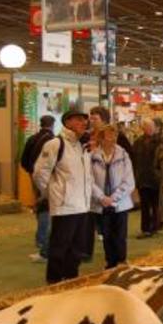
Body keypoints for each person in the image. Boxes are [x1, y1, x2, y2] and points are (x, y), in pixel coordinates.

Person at [33, 108, 93, 284]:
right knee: (59, 248)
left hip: (82, 205)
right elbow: (39, 173)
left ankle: (71, 280)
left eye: (85, 120)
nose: (84, 123)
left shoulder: (83, 145)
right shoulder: (55, 144)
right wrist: (50, 194)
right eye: (79, 119)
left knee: (76, 249)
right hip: (64, 207)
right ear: (67, 122)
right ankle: (54, 282)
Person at [90, 124, 135, 269]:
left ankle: (122, 260)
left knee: (120, 234)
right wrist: (101, 197)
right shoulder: (93, 156)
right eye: (109, 136)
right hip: (101, 203)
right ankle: (110, 261)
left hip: (120, 202)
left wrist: (114, 197)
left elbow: (129, 181)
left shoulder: (124, 155)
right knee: (106, 234)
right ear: (102, 138)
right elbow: (88, 181)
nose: (113, 139)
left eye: (115, 135)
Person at [21, 115, 56, 263]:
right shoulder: (54, 141)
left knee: (40, 206)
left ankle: (41, 238)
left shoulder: (32, 139)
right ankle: (43, 240)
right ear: (52, 125)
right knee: (47, 208)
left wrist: (31, 172)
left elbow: (24, 159)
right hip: (49, 179)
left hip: (34, 177)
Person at [131, 118, 161, 238]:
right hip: (142, 178)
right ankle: (145, 228)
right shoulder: (138, 142)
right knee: (144, 205)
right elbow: (134, 160)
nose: (148, 129)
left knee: (155, 205)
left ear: (154, 128)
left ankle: (155, 226)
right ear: (143, 128)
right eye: (146, 127)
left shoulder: (160, 142)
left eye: (150, 127)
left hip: (155, 178)